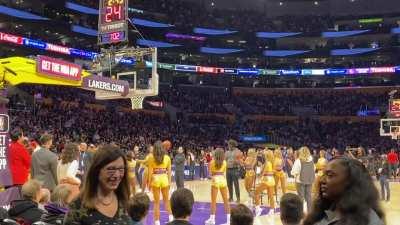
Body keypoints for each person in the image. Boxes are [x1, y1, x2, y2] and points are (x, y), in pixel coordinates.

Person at [303, 157, 386, 225]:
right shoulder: (322, 211)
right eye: (323, 174)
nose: (322, 180)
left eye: (330, 175)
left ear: (350, 182)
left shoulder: (370, 221)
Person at [63, 144, 132, 225]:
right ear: (96, 171)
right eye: (110, 169)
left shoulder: (123, 200)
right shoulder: (78, 205)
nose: (117, 175)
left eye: (121, 169)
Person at [147, 141, 173, 225]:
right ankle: (171, 218)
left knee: (156, 203)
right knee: (166, 200)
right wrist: (169, 183)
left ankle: (157, 222)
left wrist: (149, 183)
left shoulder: (151, 158)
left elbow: (150, 172)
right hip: (164, 179)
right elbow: (169, 172)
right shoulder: (167, 158)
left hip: (155, 179)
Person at [205, 148, 230, 225]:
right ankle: (229, 221)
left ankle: (212, 219)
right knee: (226, 201)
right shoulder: (225, 162)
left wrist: (212, 176)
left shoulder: (212, 162)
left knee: (213, 201)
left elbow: (210, 174)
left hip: (215, 180)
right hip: (223, 180)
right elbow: (224, 172)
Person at [291, 146, 315, 212]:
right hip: (309, 180)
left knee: (300, 198)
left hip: (300, 181)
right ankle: (310, 212)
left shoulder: (298, 161)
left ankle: (300, 213)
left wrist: (294, 175)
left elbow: (294, 171)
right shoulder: (311, 160)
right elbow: (314, 169)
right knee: (309, 197)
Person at [255, 149, 276, 217]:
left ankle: (258, 209)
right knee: (271, 196)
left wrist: (258, 167)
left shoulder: (267, 163)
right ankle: (272, 210)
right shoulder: (272, 162)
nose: (263, 155)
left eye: (264, 154)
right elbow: (273, 172)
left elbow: (260, 174)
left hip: (266, 180)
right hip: (271, 180)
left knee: (256, 192)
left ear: (266, 156)